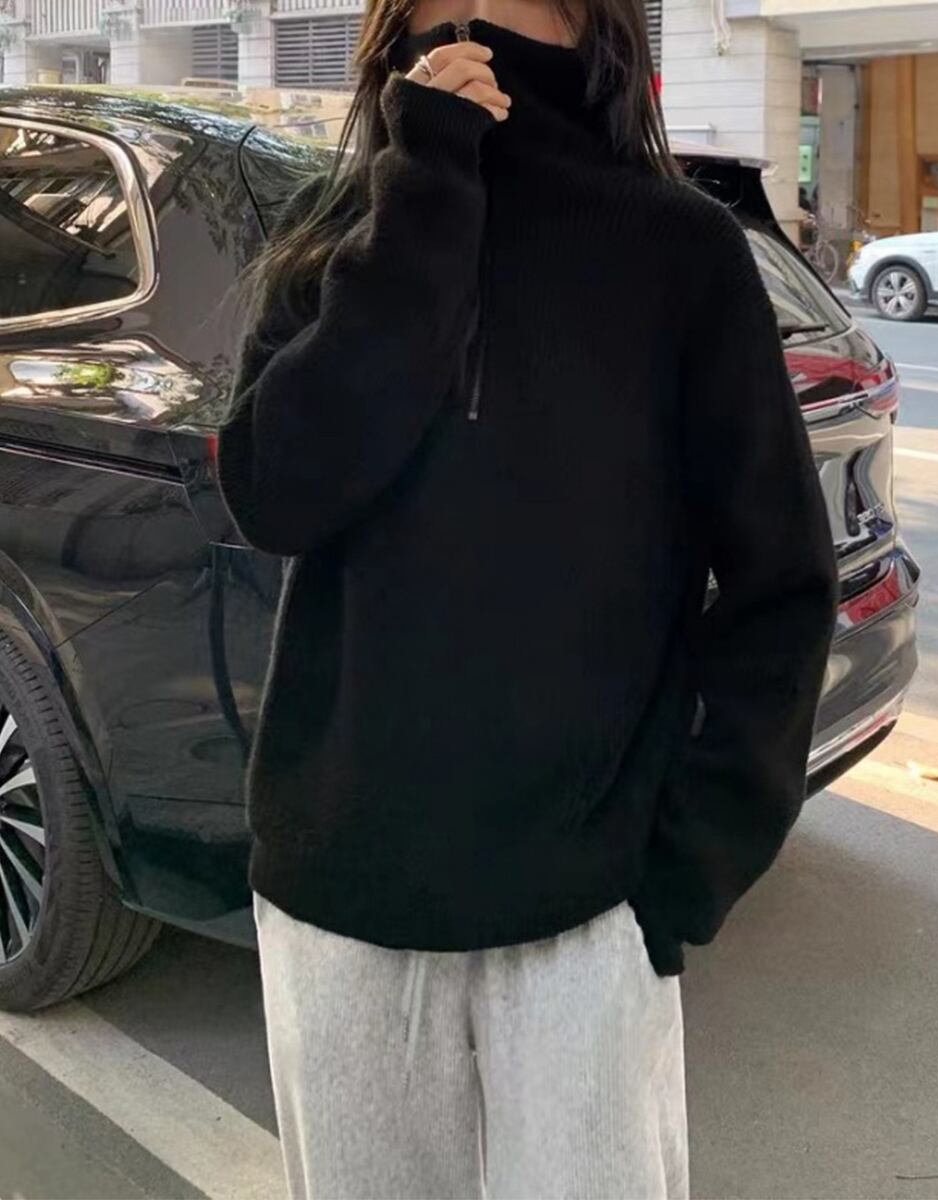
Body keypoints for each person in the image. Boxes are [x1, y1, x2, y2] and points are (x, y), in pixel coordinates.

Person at [215, 0, 840, 1195]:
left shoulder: (673, 249)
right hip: (340, 894)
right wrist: (426, 198)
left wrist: (686, 868)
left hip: (588, 911)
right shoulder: (338, 230)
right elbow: (277, 496)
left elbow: (780, 584)